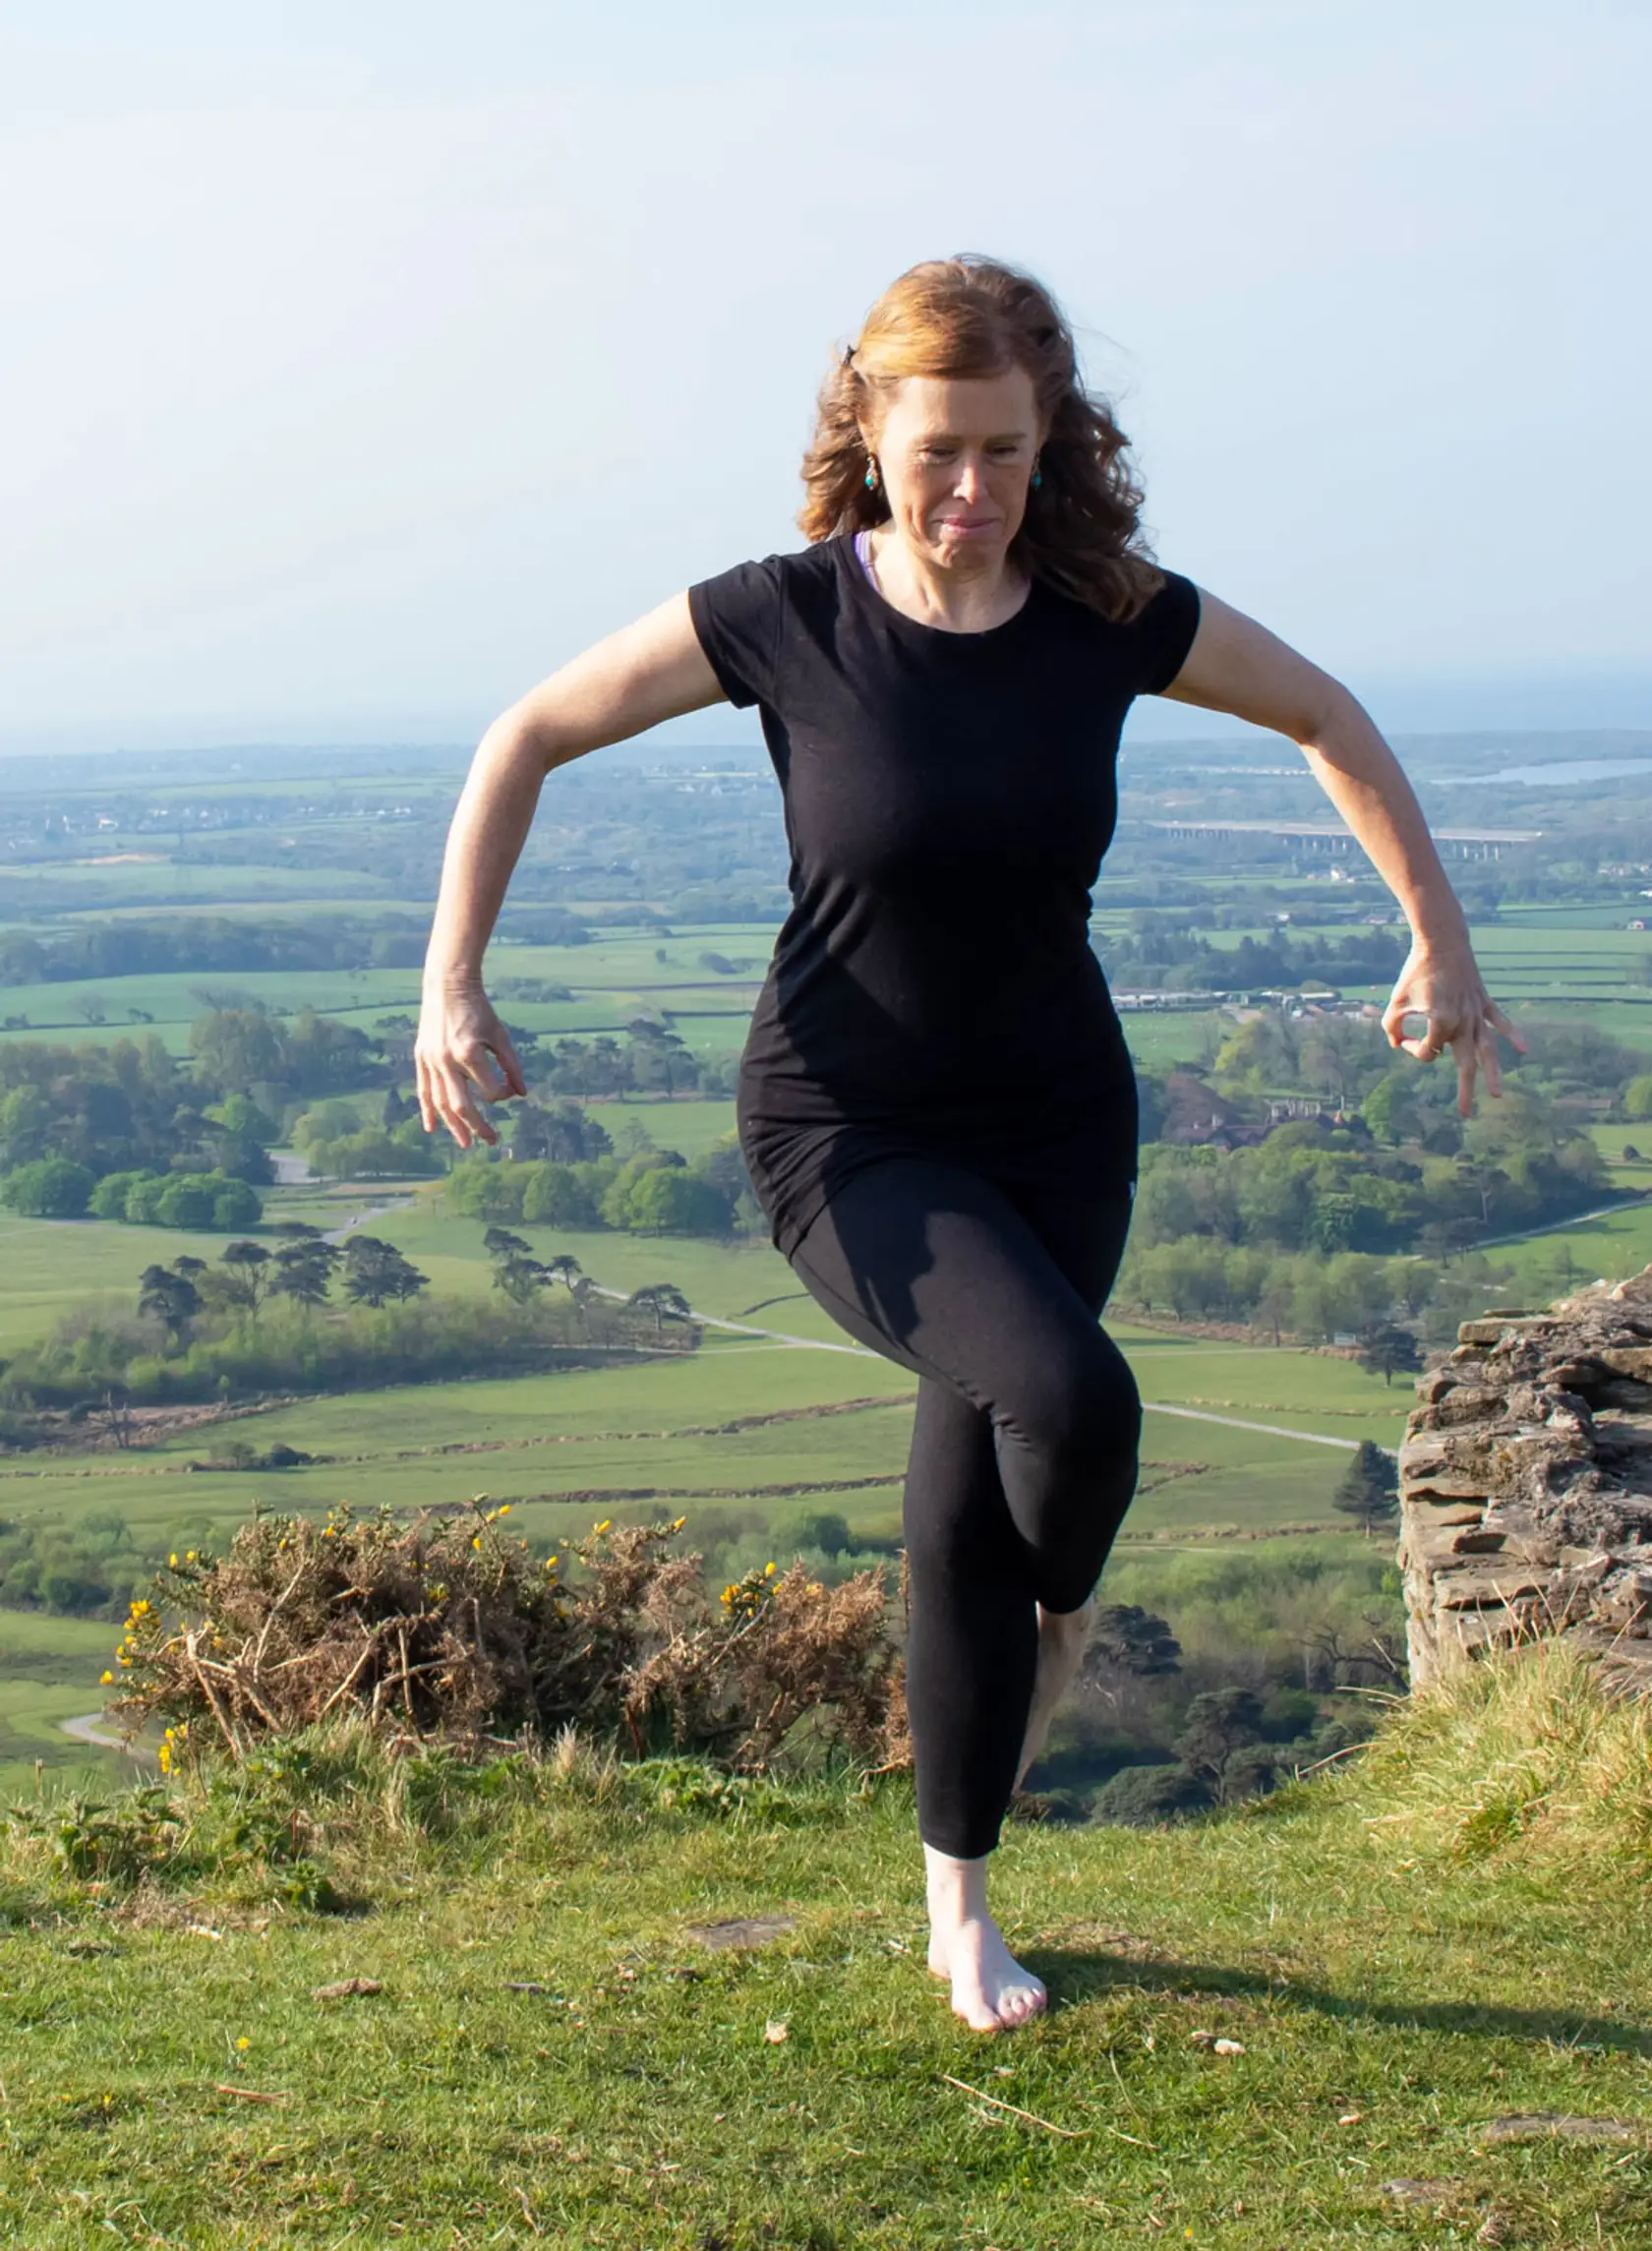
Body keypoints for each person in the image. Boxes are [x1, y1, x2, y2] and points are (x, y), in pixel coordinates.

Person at [413, 255, 1517, 2033]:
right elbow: (524, 732)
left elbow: (1329, 714)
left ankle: (960, 1907)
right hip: (846, 1131)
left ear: (1049, 441)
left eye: (1007, 454)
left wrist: (1437, 938)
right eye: (938, 452)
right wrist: (450, 985)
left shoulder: (1105, 610)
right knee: (1075, 1409)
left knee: (969, 1513)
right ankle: (1054, 1638)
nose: (971, 496)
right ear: (868, 427)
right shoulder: (783, 615)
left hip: (1060, 1123)